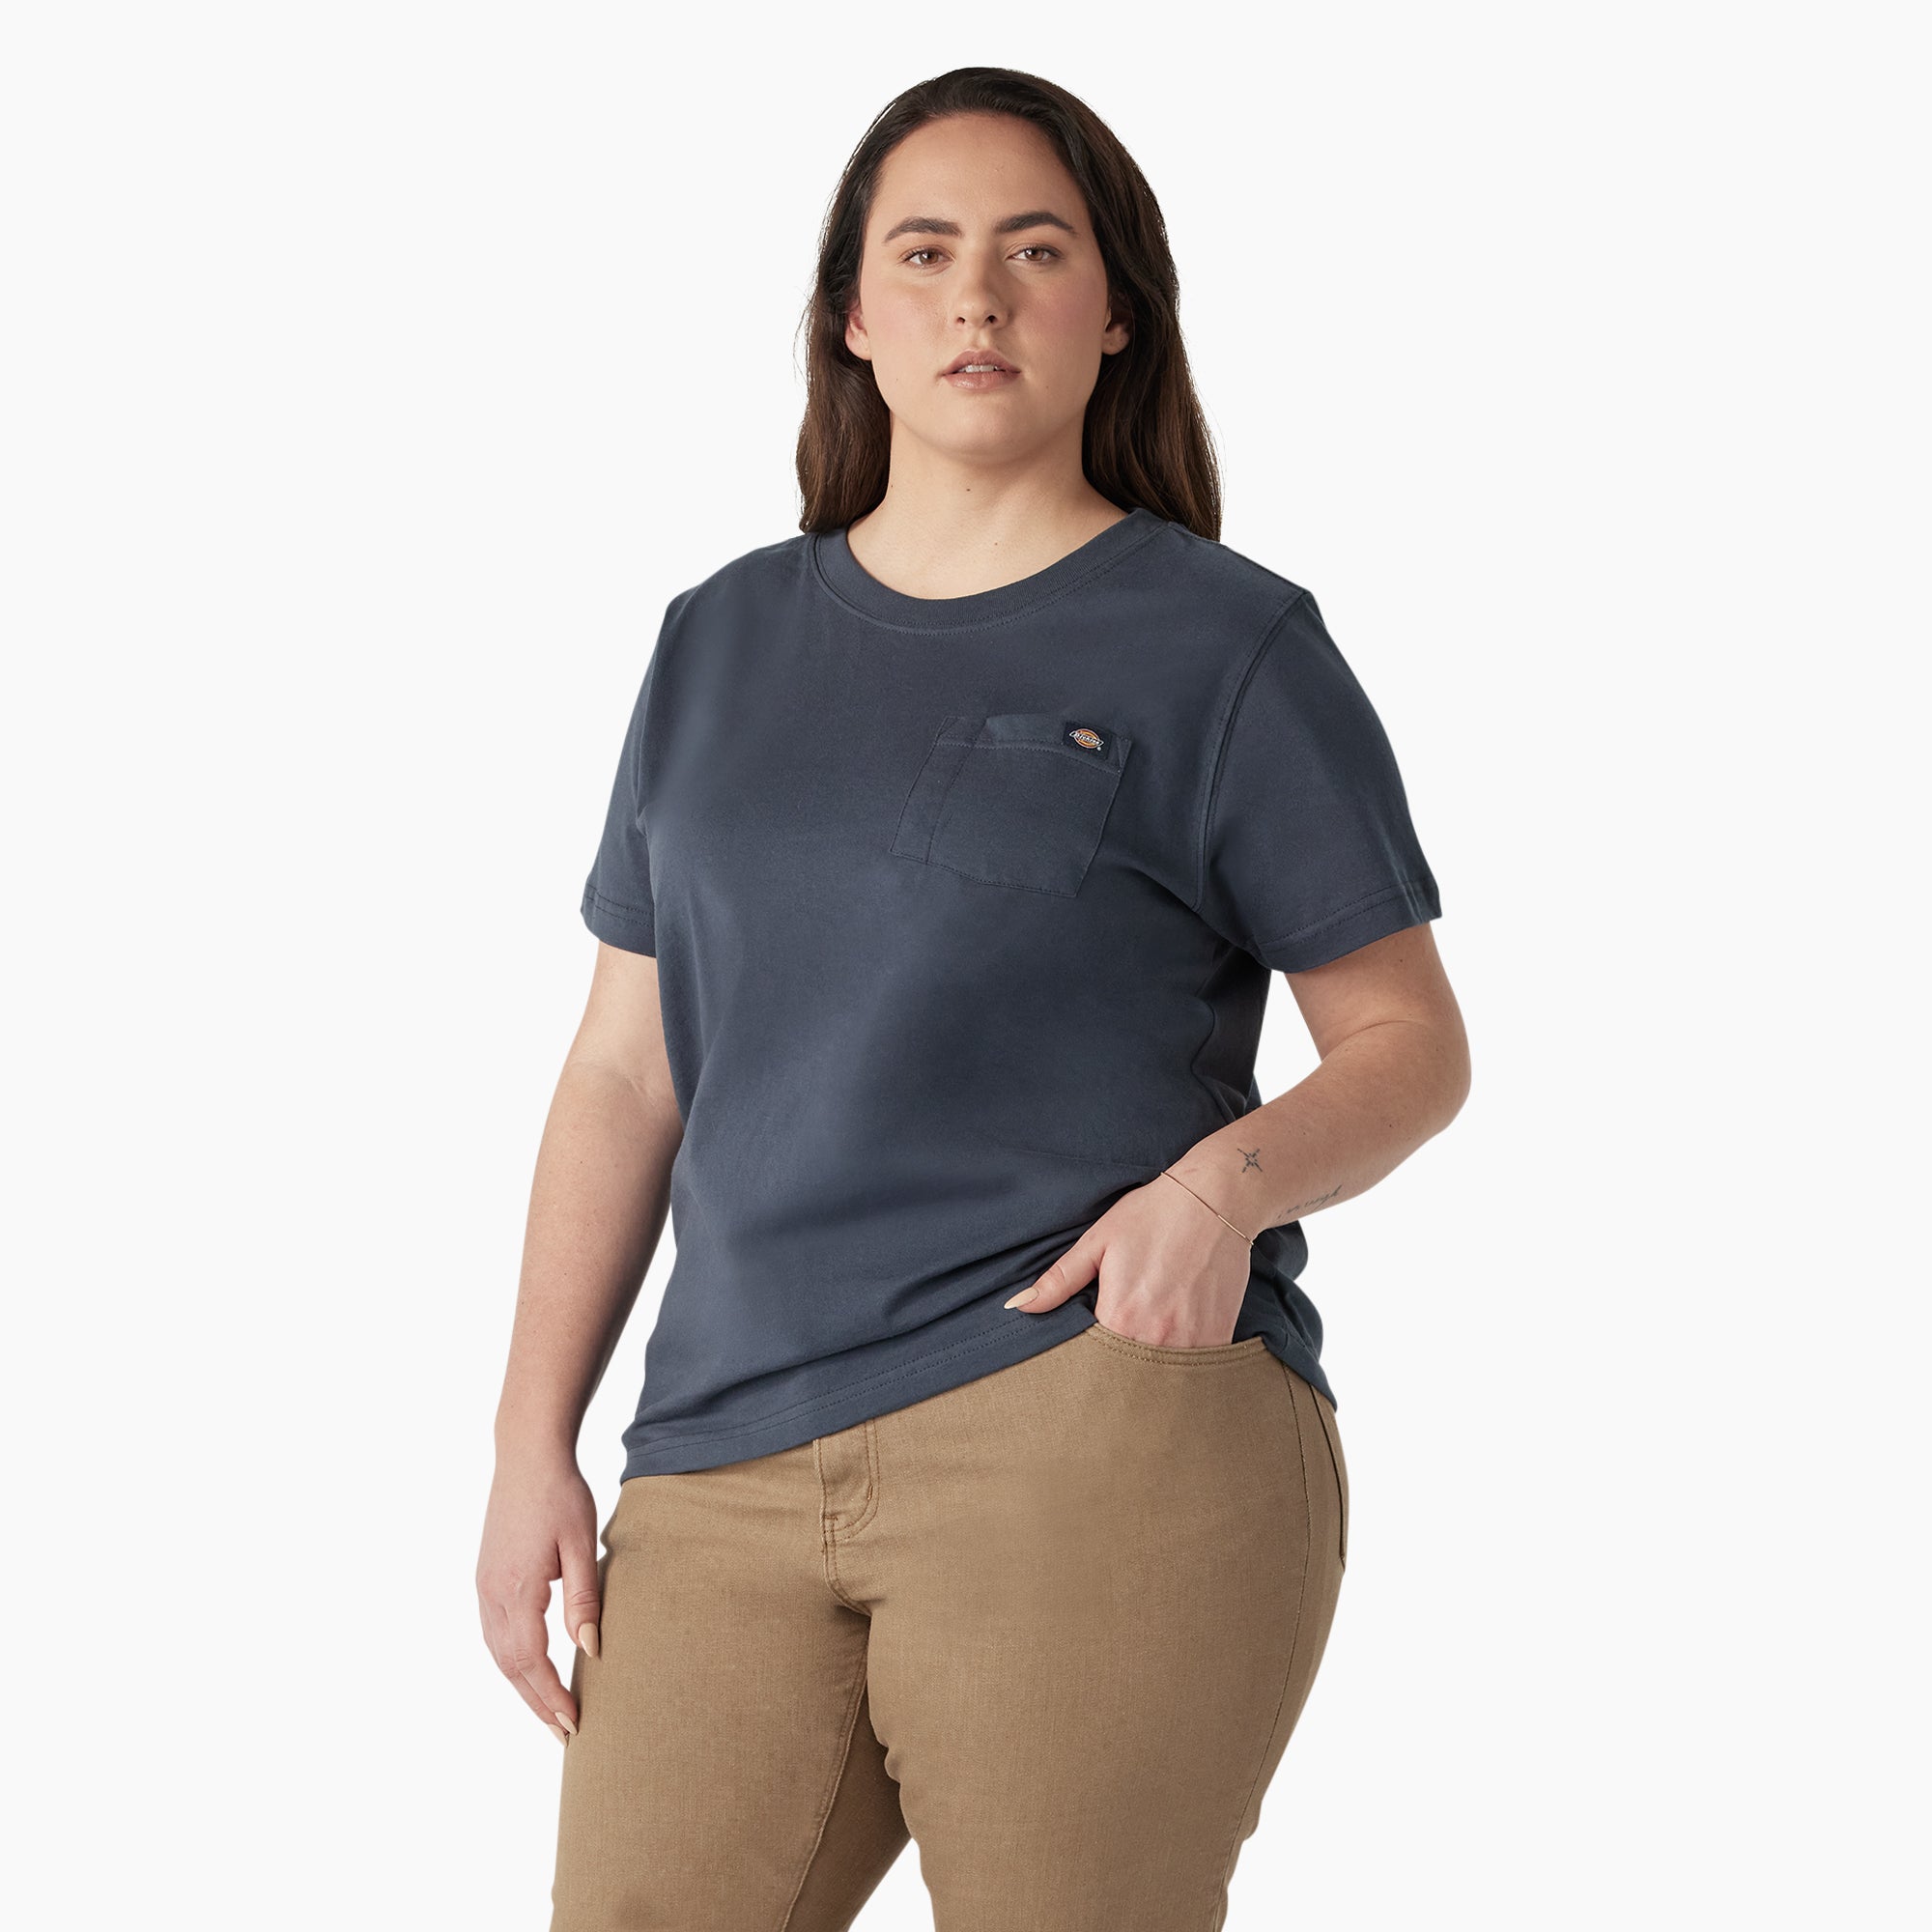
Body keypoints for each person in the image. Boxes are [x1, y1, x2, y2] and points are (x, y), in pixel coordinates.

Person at [477, 65, 1470, 1932]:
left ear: (1118, 315)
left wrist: (1219, 1197)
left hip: (1083, 1420)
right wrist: (534, 1434)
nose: (979, 299)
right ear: (854, 318)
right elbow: (623, 1073)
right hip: (716, 1453)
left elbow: (1411, 1045)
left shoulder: (1227, 644)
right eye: (923, 254)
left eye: (1037, 251)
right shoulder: (717, 641)